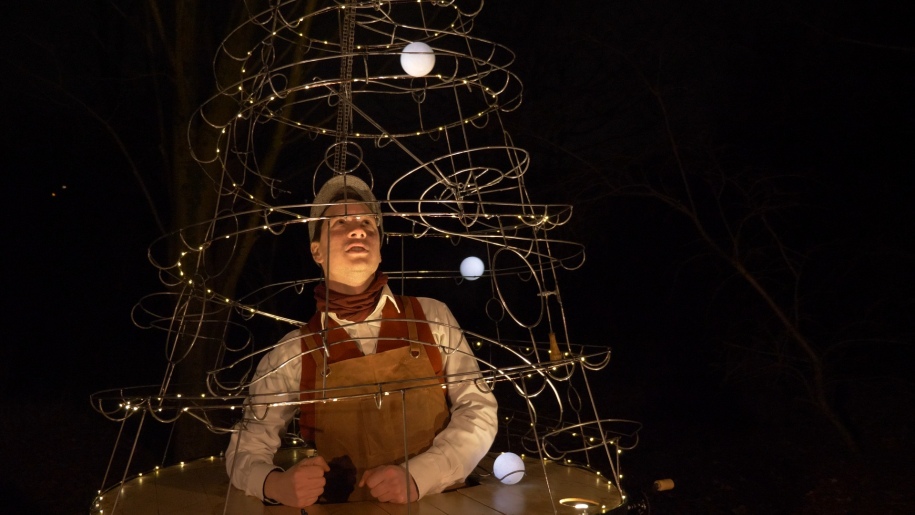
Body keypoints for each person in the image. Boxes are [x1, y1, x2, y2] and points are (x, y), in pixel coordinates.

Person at [225, 175, 498, 507]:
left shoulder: (432, 317)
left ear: (380, 248)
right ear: (316, 250)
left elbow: (479, 410)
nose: (358, 230)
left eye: (367, 222)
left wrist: (421, 475)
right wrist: (275, 485)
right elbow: (245, 448)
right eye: (341, 222)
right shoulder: (292, 352)